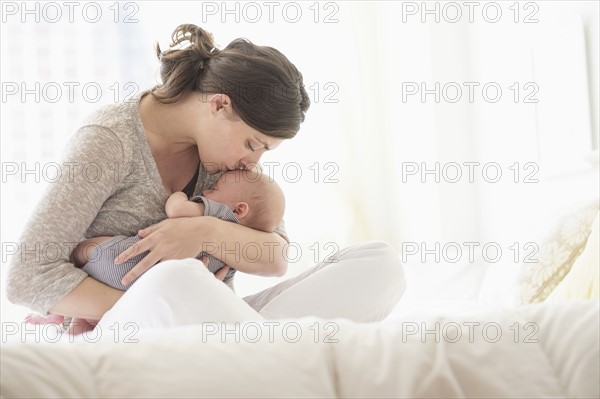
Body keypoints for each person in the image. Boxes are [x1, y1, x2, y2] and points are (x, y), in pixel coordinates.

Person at [8, 24, 406, 333]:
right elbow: (25, 278)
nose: (253, 161)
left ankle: (249, 356)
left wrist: (202, 233)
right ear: (219, 104)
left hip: (218, 326)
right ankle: (265, 358)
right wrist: (153, 306)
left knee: (379, 265)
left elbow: (275, 256)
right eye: (254, 144)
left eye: (264, 150)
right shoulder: (111, 141)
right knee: (177, 280)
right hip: (136, 327)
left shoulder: (226, 160)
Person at [25, 168, 285, 331]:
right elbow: (222, 284)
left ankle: (63, 309)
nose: (206, 189)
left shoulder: (217, 211)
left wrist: (181, 196)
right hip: (144, 288)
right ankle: (68, 319)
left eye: (214, 188)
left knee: (94, 250)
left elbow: (176, 210)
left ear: (240, 209)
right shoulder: (240, 244)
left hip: (123, 263)